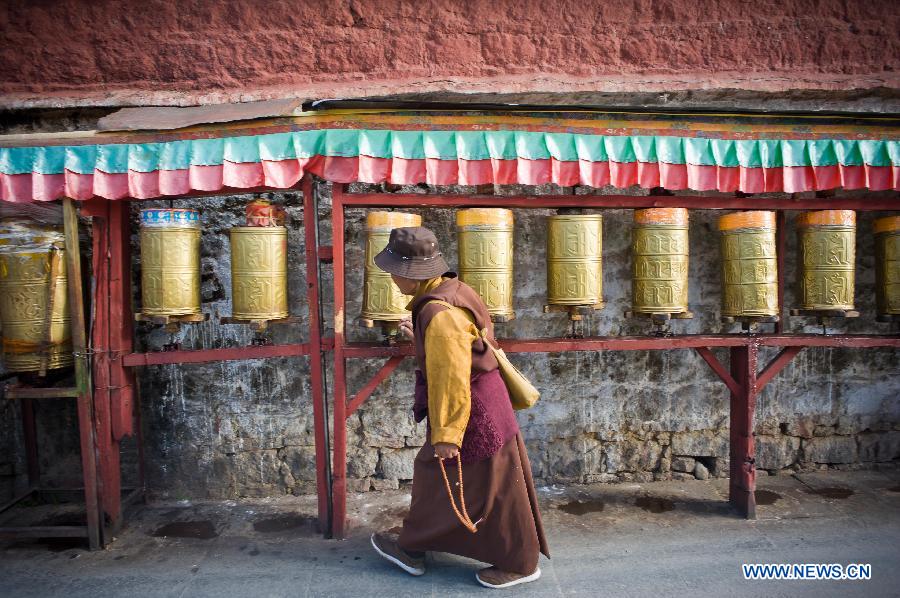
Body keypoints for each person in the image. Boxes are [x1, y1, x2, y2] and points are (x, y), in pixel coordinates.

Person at [369, 226, 549, 590]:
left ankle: (516, 563)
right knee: (488, 484)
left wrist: (448, 434)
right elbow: (467, 337)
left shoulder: (438, 315)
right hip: (488, 402)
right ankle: (416, 545)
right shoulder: (453, 289)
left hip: (471, 410)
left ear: (408, 273)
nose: (390, 277)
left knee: (458, 477)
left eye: (392, 270)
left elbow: (451, 377)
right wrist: (420, 335)